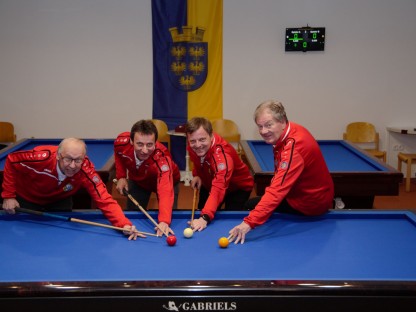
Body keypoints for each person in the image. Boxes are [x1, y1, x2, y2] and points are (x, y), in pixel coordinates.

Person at [228, 100, 335, 244]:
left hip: (311, 204)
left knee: (251, 205)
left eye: (268, 125)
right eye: (260, 126)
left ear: (282, 121)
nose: (263, 131)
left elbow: (277, 190)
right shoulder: (291, 130)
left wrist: (248, 223)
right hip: (307, 195)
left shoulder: (294, 147)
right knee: (264, 201)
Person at [1, 138, 141, 240]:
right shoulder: (41, 157)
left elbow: (104, 199)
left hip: (59, 199)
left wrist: (124, 224)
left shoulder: (86, 170)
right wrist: (8, 195)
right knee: (25, 237)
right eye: (68, 159)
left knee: (60, 237)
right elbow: (12, 160)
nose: (73, 166)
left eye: (78, 160)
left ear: (84, 158)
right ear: (58, 156)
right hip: (27, 197)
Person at [185, 117, 254, 232]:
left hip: (238, 188)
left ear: (211, 136)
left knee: (229, 221)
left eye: (202, 139)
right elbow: (197, 160)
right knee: (201, 213)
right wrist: (197, 174)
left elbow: (219, 187)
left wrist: (205, 217)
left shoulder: (222, 155)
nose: (197, 145)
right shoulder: (193, 146)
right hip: (210, 181)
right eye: (192, 141)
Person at [114, 120, 181, 237]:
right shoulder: (121, 142)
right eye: (139, 144)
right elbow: (118, 154)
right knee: (133, 216)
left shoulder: (162, 157)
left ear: (156, 142)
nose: (144, 150)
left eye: (150, 145)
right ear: (131, 141)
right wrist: (121, 176)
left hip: (168, 182)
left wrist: (164, 221)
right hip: (139, 181)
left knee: (167, 214)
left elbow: (165, 189)